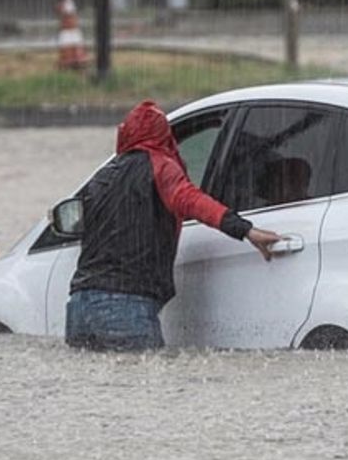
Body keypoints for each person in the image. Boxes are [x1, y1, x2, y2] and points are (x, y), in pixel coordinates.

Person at [66, 100, 283, 351]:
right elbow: (191, 201)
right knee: (143, 387)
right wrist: (245, 230)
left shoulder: (101, 176)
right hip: (124, 305)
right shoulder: (161, 165)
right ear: (164, 136)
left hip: (79, 307)